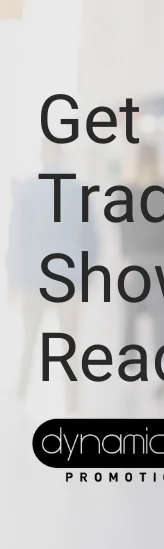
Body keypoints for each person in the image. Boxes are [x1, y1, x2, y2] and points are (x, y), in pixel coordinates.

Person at [6, 142, 98, 411]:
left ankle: (22, 389)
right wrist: (88, 276)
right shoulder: (78, 189)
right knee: (70, 340)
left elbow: (17, 236)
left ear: (42, 154)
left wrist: (13, 277)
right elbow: (90, 238)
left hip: (35, 278)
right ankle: (72, 399)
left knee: (29, 336)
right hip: (70, 278)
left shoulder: (29, 189)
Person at [120, 143, 164, 398]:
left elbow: (124, 227)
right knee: (159, 312)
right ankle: (162, 365)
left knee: (131, 312)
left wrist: (127, 258)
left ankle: (130, 363)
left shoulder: (128, 190)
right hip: (161, 258)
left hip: (137, 258)